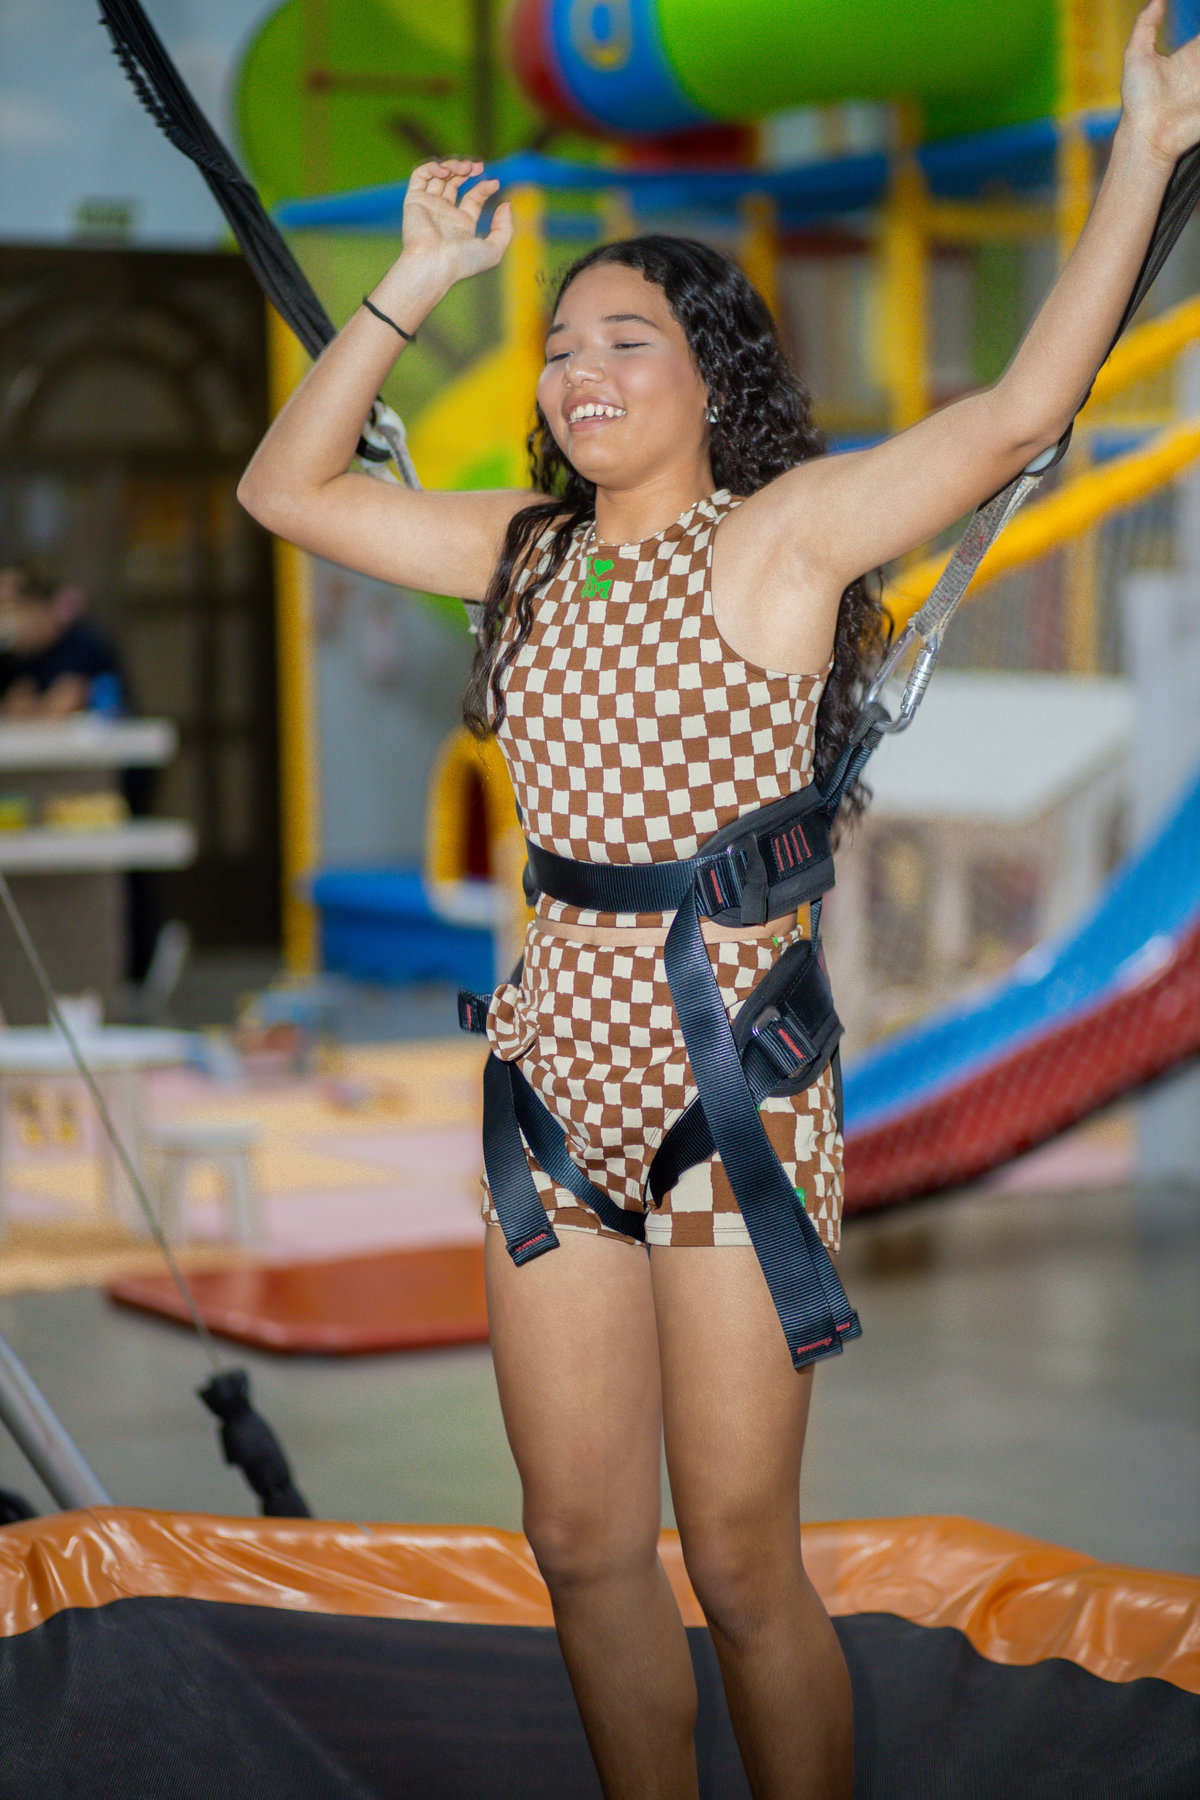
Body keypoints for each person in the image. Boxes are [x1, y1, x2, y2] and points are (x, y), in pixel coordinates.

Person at [238, 8, 1199, 1793]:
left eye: (627, 340)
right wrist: (416, 284)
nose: (578, 372)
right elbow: (282, 489)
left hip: (729, 1096)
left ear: (710, 376)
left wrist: (1144, 150)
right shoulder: (519, 553)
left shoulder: (784, 538)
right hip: (548, 1096)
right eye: (558, 347)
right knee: (578, 1544)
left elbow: (1018, 415)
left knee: (745, 1563)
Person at [0, 566, 125, 719]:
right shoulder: (18, 656)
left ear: (38, 608)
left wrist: (38, 707)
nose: (11, 621)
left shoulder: (82, 642)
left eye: (14, 611)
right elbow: (13, 705)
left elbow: (68, 701)